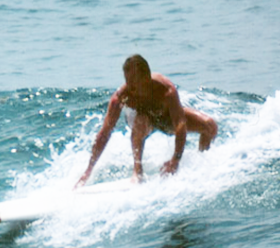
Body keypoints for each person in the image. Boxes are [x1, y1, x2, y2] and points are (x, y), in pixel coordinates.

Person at [76, 54, 218, 186]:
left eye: (134, 83)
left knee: (210, 126)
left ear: (146, 78)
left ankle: (202, 160)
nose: (129, 87)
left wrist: (175, 160)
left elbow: (180, 124)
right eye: (127, 81)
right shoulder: (122, 97)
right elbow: (105, 133)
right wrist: (88, 171)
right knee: (141, 121)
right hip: (142, 120)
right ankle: (137, 171)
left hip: (165, 118)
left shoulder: (166, 90)